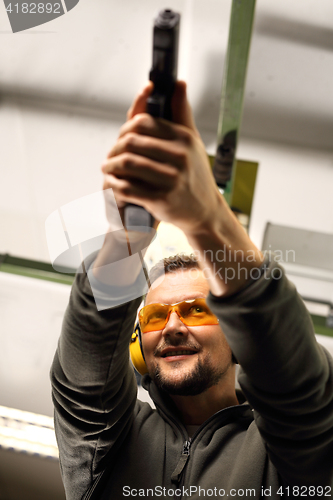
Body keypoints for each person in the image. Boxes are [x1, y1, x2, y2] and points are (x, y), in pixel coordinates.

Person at [51, 81, 333, 500]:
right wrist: (127, 235)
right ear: (137, 343)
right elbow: (83, 384)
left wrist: (207, 218)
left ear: (238, 340)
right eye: (155, 316)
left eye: (196, 310)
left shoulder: (285, 457)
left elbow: (299, 392)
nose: (173, 326)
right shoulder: (106, 444)